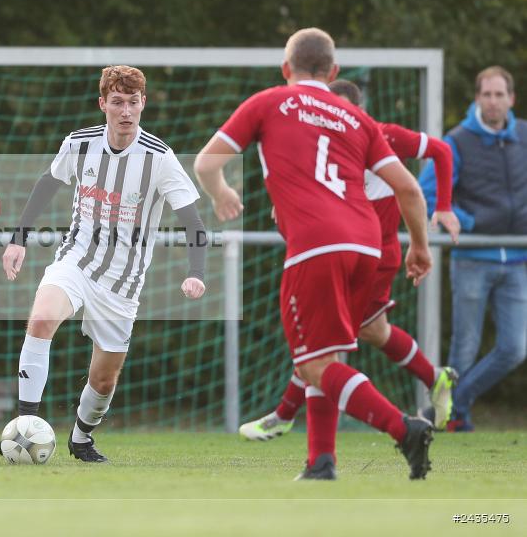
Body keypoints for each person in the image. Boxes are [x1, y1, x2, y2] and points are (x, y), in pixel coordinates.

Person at [194, 28, 435, 480]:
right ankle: (321, 461)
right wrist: (420, 247)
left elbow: (207, 163)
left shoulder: (269, 102)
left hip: (317, 245)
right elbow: (408, 188)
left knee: (312, 363)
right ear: (334, 72)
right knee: (326, 357)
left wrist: (221, 193)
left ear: (286, 69)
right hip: (366, 245)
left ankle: (404, 428)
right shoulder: (356, 118)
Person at [0, 65, 207, 463]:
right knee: (41, 319)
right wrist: (17, 238)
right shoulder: (79, 144)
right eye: (117, 102)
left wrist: (196, 273)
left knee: (104, 379)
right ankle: (24, 428)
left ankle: (81, 438)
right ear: (103, 105)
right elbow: (48, 184)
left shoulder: (159, 158)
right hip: (75, 260)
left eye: (133, 102)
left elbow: (194, 223)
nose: (125, 111)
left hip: (123, 283)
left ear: (143, 104)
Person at [239, 79, 461, 441]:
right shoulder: (313, 145)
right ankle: (434, 378)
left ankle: (285, 415)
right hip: (350, 250)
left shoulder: (380, 135)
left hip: (373, 254)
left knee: (322, 340)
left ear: (355, 110)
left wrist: (445, 207)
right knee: (372, 331)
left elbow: (440, 150)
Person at [419, 65, 527, 432]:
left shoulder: (525, 137)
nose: (493, 102)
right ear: (477, 98)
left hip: (517, 260)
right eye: (487, 95)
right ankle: (453, 416)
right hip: (472, 259)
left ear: (511, 99)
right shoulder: (456, 141)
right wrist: (467, 221)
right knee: (464, 349)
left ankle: (453, 405)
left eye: (500, 95)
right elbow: (428, 194)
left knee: (514, 349)